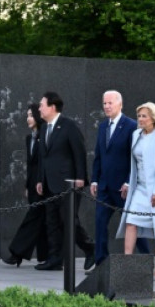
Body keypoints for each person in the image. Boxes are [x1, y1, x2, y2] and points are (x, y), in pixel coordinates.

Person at [116, 102, 155, 281]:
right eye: (139, 116)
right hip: (140, 188)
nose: (140, 119)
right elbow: (134, 164)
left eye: (144, 116)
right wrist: (128, 184)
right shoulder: (136, 134)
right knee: (131, 221)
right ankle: (126, 264)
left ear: (153, 118)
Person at [34, 91, 95, 271]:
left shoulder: (69, 126)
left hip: (68, 183)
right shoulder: (44, 128)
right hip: (49, 184)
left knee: (68, 221)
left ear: (52, 107)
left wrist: (81, 178)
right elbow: (43, 157)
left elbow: (79, 152)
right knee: (52, 222)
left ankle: (90, 248)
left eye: (41, 105)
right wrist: (40, 179)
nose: (39, 108)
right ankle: (55, 259)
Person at [89, 90, 149, 271]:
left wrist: (129, 181)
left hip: (124, 188)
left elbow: (136, 157)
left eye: (110, 103)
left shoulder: (131, 126)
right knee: (100, 223)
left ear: (120, 104)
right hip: (104, 186)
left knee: (133, 224)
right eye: (104, 103)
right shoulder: (103, 127)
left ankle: (147, 259)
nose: (106, 106)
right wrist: (94, 180)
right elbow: (99, 155)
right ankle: (101, 263)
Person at [2, 103, 49, 266]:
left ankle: (17, 253)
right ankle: (45, 257)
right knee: (40, 220)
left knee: (33, 218)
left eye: (30, 115)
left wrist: (41, 181)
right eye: (27, 115)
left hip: (44, 185)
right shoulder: (29, 138)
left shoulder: (46, 135)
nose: (28, 119)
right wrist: (28, 186)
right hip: (33, 185)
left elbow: (45, 162)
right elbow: (30, 165)